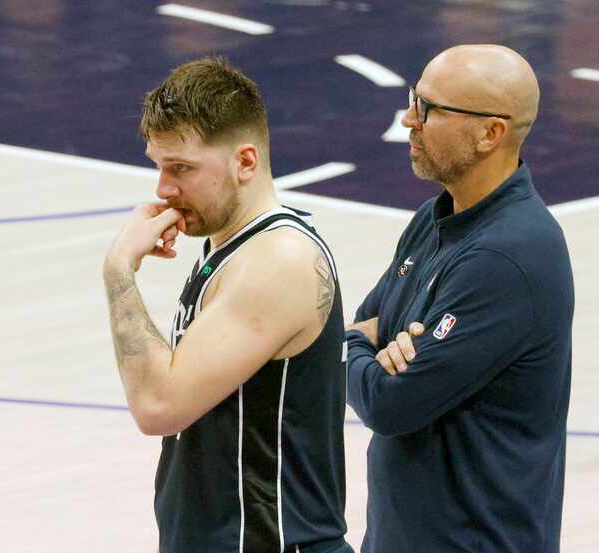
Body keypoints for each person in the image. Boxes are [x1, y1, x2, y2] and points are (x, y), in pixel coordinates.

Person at [103, 57, 352, 553]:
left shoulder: (278, 261)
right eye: (159, 166)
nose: (164, 188)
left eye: (182, 169)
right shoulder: (228, 246)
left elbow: (158, 406)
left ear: (245, 162)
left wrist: (118, 271)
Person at [346, 44, 574, 553]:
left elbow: (391, 403)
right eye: (413, 99)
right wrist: (364, 347)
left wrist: (352, 349)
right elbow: (364, 322)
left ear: (490, 133)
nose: (408, 119)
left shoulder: (510, 256)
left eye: (428, 108)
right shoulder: (433, 219)